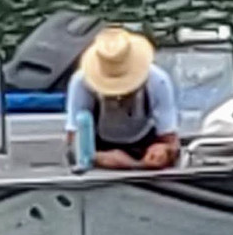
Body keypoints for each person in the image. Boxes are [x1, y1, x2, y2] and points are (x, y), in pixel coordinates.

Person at [64, 27, 180, 170]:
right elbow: (74, 143)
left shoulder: (158, 81)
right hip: (98, 151)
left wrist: (163, 151)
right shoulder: (81, 82)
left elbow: (172, 142)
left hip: (144, 145)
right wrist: (99, 158)